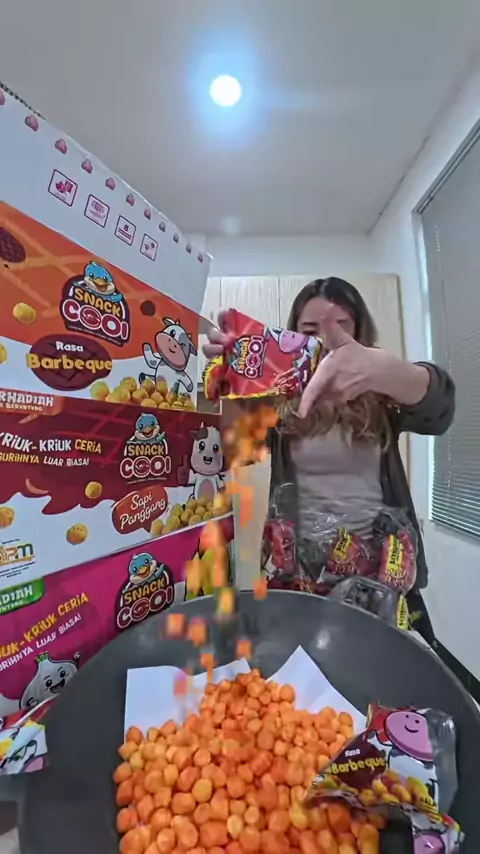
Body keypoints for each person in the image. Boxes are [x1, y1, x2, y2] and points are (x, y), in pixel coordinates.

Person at [203, 277, 455, 643]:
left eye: (341, 326)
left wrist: (387, 371)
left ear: (359, 333)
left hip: (380, 573)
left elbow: (440, 410)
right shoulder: (281, 399)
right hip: (301, 574)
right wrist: (230, 376)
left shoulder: (382, 395)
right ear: (292, 337)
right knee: (300, 669)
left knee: (385, 667)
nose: (326, 340)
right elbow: (233, 450)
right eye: (310, 330)